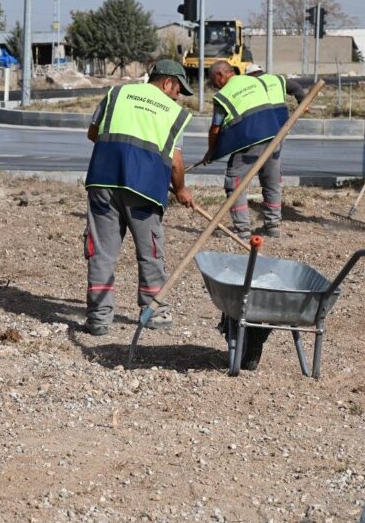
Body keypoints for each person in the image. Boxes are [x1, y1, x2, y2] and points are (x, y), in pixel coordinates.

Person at [82, 59, 196, 336]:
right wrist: (180, 189)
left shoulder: (116, 94)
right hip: (144, 190)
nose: (178, 96)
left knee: (102, 251)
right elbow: (176, 162)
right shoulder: (172, 111)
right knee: (150, 251)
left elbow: (93, 133)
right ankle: (154, 312)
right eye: (179, 89)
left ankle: (98, 318)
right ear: (167, 82)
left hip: (103, 181)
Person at [204, 60, 286, 241]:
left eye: (213, 80)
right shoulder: (256, 81)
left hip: (248, 143)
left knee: (235, 183)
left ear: (220, 75)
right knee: (271, 181)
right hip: (274, 136)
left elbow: (215, 128)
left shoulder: (223, 95)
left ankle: (242, 230)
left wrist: (211, 151)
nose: (213, 85)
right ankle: (273, 226)